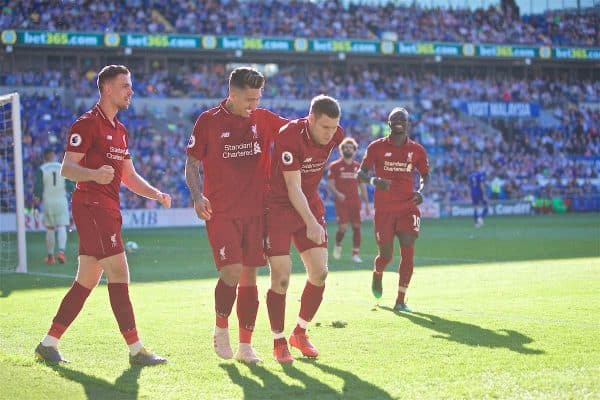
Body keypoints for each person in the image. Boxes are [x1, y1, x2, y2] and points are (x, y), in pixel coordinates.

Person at [35, 65, 172, 366]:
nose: (131, 91)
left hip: (108, 208)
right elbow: (67, 168)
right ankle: (136, 350)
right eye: (125, 86)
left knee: (86, 280)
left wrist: (156, 193)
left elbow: (129, 176)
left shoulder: (120, 130)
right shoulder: (86, 124)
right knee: (119, 273)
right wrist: (95, 174)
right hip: (92, 206)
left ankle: (48, 343)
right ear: (107, 89)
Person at [185, 67, 288, 364]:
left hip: (256, 211)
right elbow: (191, 164)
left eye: (257, 99)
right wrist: (196, 195)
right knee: (231, 270)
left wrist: (324, 123)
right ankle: (220, 328)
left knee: (249, 277)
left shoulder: (263, 119)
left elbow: (296, 133)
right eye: (248, 99)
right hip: (221, 212)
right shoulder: (208, 121)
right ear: (232, 94)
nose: (253, 105)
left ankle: (245, 346)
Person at [266, 95, 344, 363]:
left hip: (309, 202)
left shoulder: (336, 134)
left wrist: (312, 217)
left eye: (334, 128)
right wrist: (311, 222)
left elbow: (305, 189)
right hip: (277, 207)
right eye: (325, 127)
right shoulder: (289, 136)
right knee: (282, 278)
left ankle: (300, 332)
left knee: (320, 272)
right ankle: (278, 341)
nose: (330, 133)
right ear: (310, 119)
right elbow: (292, 187)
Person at [357, 107, 429, 312]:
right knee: (386, 256)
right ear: (388, 123)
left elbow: (425, 175)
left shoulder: (417, 150)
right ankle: (378, 272)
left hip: (408, 207)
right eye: (394, 119)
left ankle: (400, 300)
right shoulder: (376, 147)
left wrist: (422, 190)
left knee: (408, 251)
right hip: (384, 210)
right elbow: (360, 174)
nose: (398, 122)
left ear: (408, 124)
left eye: (402, 119)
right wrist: (373, 180)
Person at [327, 137, 370, 263]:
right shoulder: (334, 166)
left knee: (357, 226)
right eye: (345, 147)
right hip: (341, 202)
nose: (348, 149)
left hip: (355, 201)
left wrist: (367, 203)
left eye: (350, 147)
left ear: (354, 150)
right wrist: (337, 193)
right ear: (341, 150)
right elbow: (330, 184)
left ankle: (355, 254)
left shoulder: (358, 167)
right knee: (343, 227)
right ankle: (338, 245)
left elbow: (362, 185)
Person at [33, 148, 75, 265]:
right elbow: (70, 187)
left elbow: (38, 188)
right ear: (53, 155)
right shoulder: (62, 166)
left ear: (45, 157)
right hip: (61, 200)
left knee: (50, 228)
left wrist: (36, 204)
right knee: (62, 226)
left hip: (48, 201)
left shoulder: (41, 169)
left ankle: (50, 256)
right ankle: (61, 252)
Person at [469, 160, 488, 228]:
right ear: (479, 167)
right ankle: (481, 218)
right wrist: (484, 193)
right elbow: (481, 184)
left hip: (473, 192)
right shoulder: (480, 174)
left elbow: (470, 186)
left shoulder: (471, 176)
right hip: (479, 192)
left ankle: (476, 224)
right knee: (486, 206)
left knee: (475, 208)